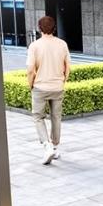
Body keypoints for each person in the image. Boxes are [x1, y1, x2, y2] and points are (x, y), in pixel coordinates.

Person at [26, 16, 71, 165]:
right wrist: (63, 82)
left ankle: (47, 146)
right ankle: (55, 147)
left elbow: (30, 69)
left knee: (38, 117)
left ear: (40, 28)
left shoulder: (34, 46)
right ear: (54, 28)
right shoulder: (62, 44)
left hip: (40, 87)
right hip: (57, 87)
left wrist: (30, 85)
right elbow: (68, 67)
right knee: (56, 117)